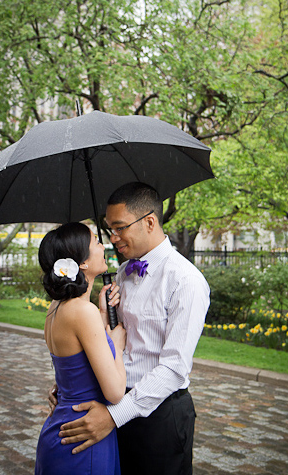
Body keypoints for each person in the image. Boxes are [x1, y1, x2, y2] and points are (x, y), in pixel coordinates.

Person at [51, 182, 211, 474]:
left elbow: (174, 368)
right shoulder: (122, 273)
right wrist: (72, 384)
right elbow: (107, 342)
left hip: (159, 418)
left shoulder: (186, 281)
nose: (113, 238)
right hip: (112, 402)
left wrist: (113, 416)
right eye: (109, 229)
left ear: (149, 222)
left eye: (120, 227)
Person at [35, 222, 127, 475]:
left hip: (61, 427)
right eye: (96, 242)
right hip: (83, 434)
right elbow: (116, 392)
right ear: (82, 263)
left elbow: (75, 364)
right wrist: (116, 345)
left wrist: (100, 312)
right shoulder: (82, 312)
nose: (103, 245)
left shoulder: (56, 307)